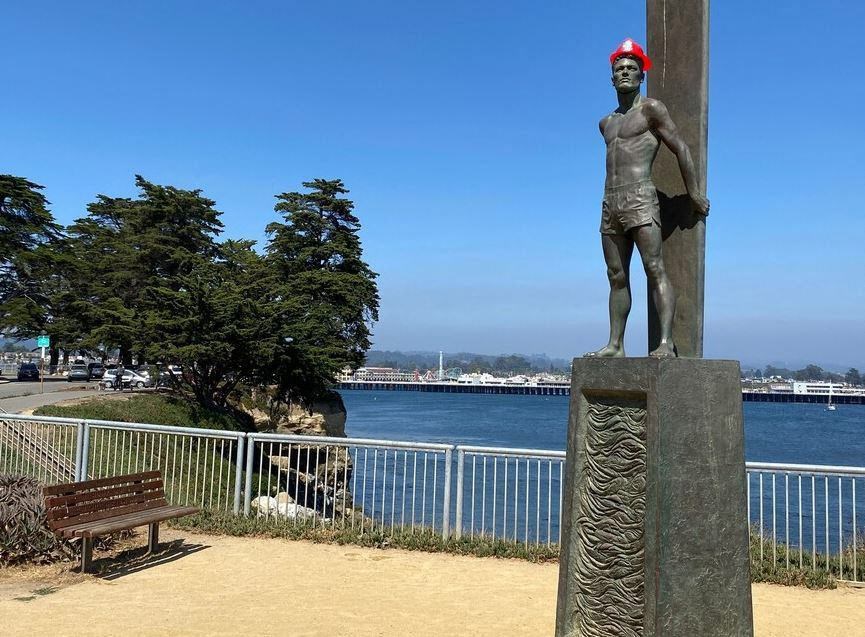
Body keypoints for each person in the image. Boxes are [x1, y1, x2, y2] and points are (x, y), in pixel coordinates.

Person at [585, 39, 709, 359]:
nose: (625, 73)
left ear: (641, 75)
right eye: (619, 69)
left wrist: (693, 193)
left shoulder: (651, 109)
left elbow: (680, 147)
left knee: (654, 268)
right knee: (616, 276)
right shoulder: (606, 123)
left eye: (631, 68)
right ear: (612, 78)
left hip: (641, 196)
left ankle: (666, 343)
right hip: (610, 202)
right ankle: (615, 344)